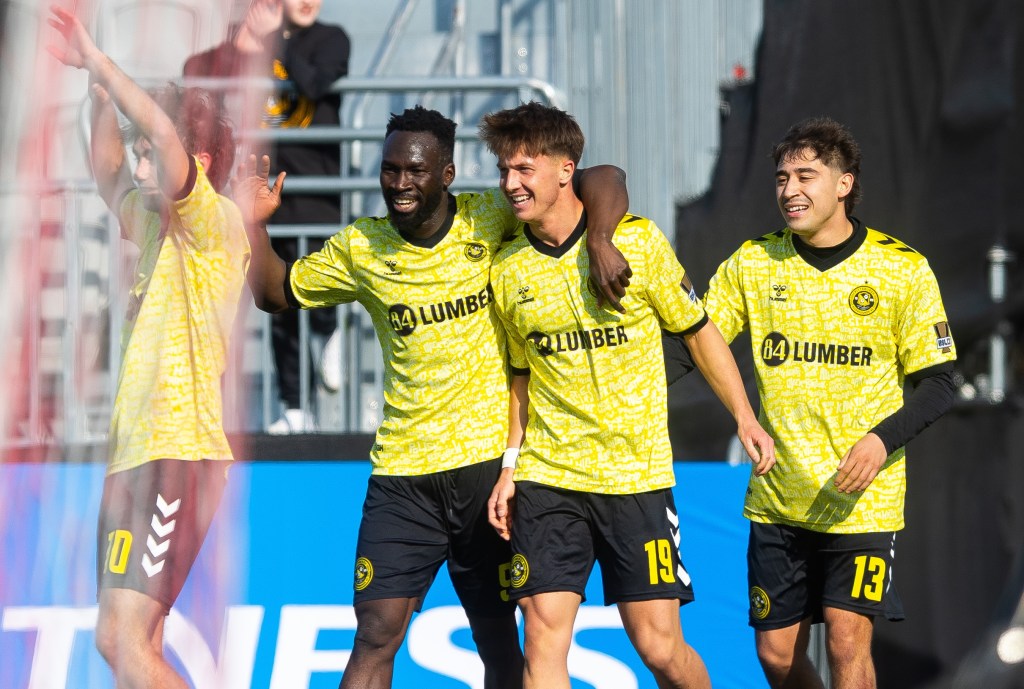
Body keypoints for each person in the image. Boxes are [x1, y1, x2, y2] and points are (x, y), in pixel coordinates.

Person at [235, 104, 632, 689]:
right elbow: (273, 292)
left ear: (446, 174)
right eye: (390, 169)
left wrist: (599, 236)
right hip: (402, 476)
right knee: (375, 634)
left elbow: (604, 177)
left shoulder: (490, 217)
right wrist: (253, 223)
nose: (399, 183)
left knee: (499, 644)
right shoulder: (361, 250)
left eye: (414, 171)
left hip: (483, 473)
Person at [480, 102, 775, 689]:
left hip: (634, 477)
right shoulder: (508, 268)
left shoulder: (637, 244)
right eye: (503, 171)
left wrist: (744, 415)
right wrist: (510, 467)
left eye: (523, 169)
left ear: (565, 170)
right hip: (550, 477)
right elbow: (522, 379)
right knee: (541, 640)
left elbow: (701, 333)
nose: (510, 184)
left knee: (660, 648)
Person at [701, 117, 958, 688]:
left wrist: (880, 440)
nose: (790, 190)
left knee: (846, 643)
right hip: (779, 493)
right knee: (774, 656)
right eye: (781, 177)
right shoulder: (754, 262)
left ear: (844, 184)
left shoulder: (901, 269)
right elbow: (701, 339)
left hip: (861, 497)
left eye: (806, 176)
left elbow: (941, 383)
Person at [48, 7, 249, 689]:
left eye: (149, 154)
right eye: (137, 151)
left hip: (177, 452)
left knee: (119, 638)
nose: (138, 162)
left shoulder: (208, 219)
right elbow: (107, 168)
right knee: (136, 640)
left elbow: (160, 132)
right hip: (135, 452)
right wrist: (100, 98)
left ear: (196, 163)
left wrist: (104, 61)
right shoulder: (154, 220)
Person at [185, 0, 351, 433]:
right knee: (280, 300)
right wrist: (244, 45)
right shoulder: (241, 48)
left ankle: (329, 332)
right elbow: (201, 93)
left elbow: (314, 86)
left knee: (320, 287)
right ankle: (294, 407)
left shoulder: (330, 39)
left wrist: (274, 41)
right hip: (263, 191)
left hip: (316, 189)